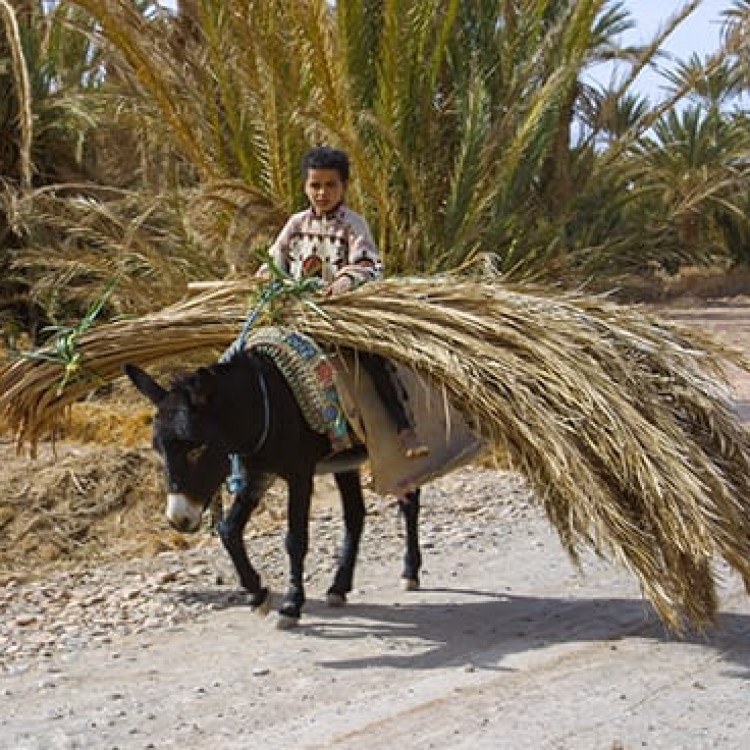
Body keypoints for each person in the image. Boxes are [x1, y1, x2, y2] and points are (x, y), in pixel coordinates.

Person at [265, 145, 428, 459]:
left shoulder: (354, 225)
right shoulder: (296, 224)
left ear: (344, 187)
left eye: (330, 185)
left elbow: (368, 264)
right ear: (305, 186)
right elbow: (275, 260)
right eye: (315, 185)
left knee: (373, 361)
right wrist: (265, 277)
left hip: (341, 316)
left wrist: (344, 281)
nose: (322, 193)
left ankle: (403, 429)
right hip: (298, 315)